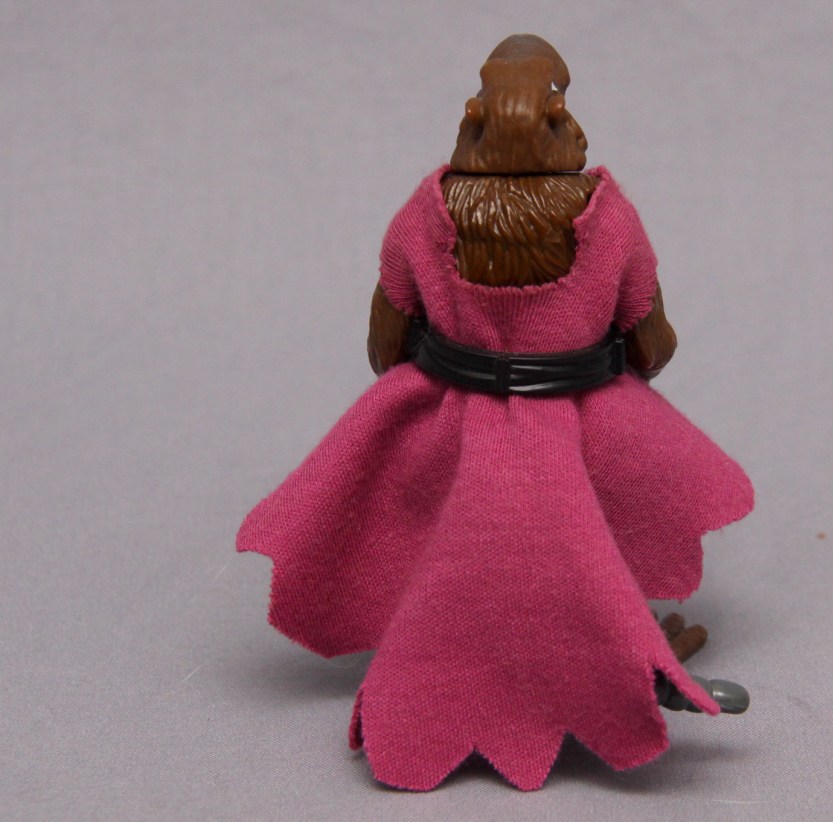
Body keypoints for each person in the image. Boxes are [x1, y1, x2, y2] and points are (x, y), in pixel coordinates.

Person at [238, 34, 753, 791]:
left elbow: (385, 343)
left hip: (458, 414)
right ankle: (615, 662)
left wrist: (434, 385)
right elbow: (653, 343)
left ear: (474, 120)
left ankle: (519, 662)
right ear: (558, 120)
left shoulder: (423, 213)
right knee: (582, 537)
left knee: (450, 544)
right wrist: (609, 370)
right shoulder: (609, 218)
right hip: (576, 414)